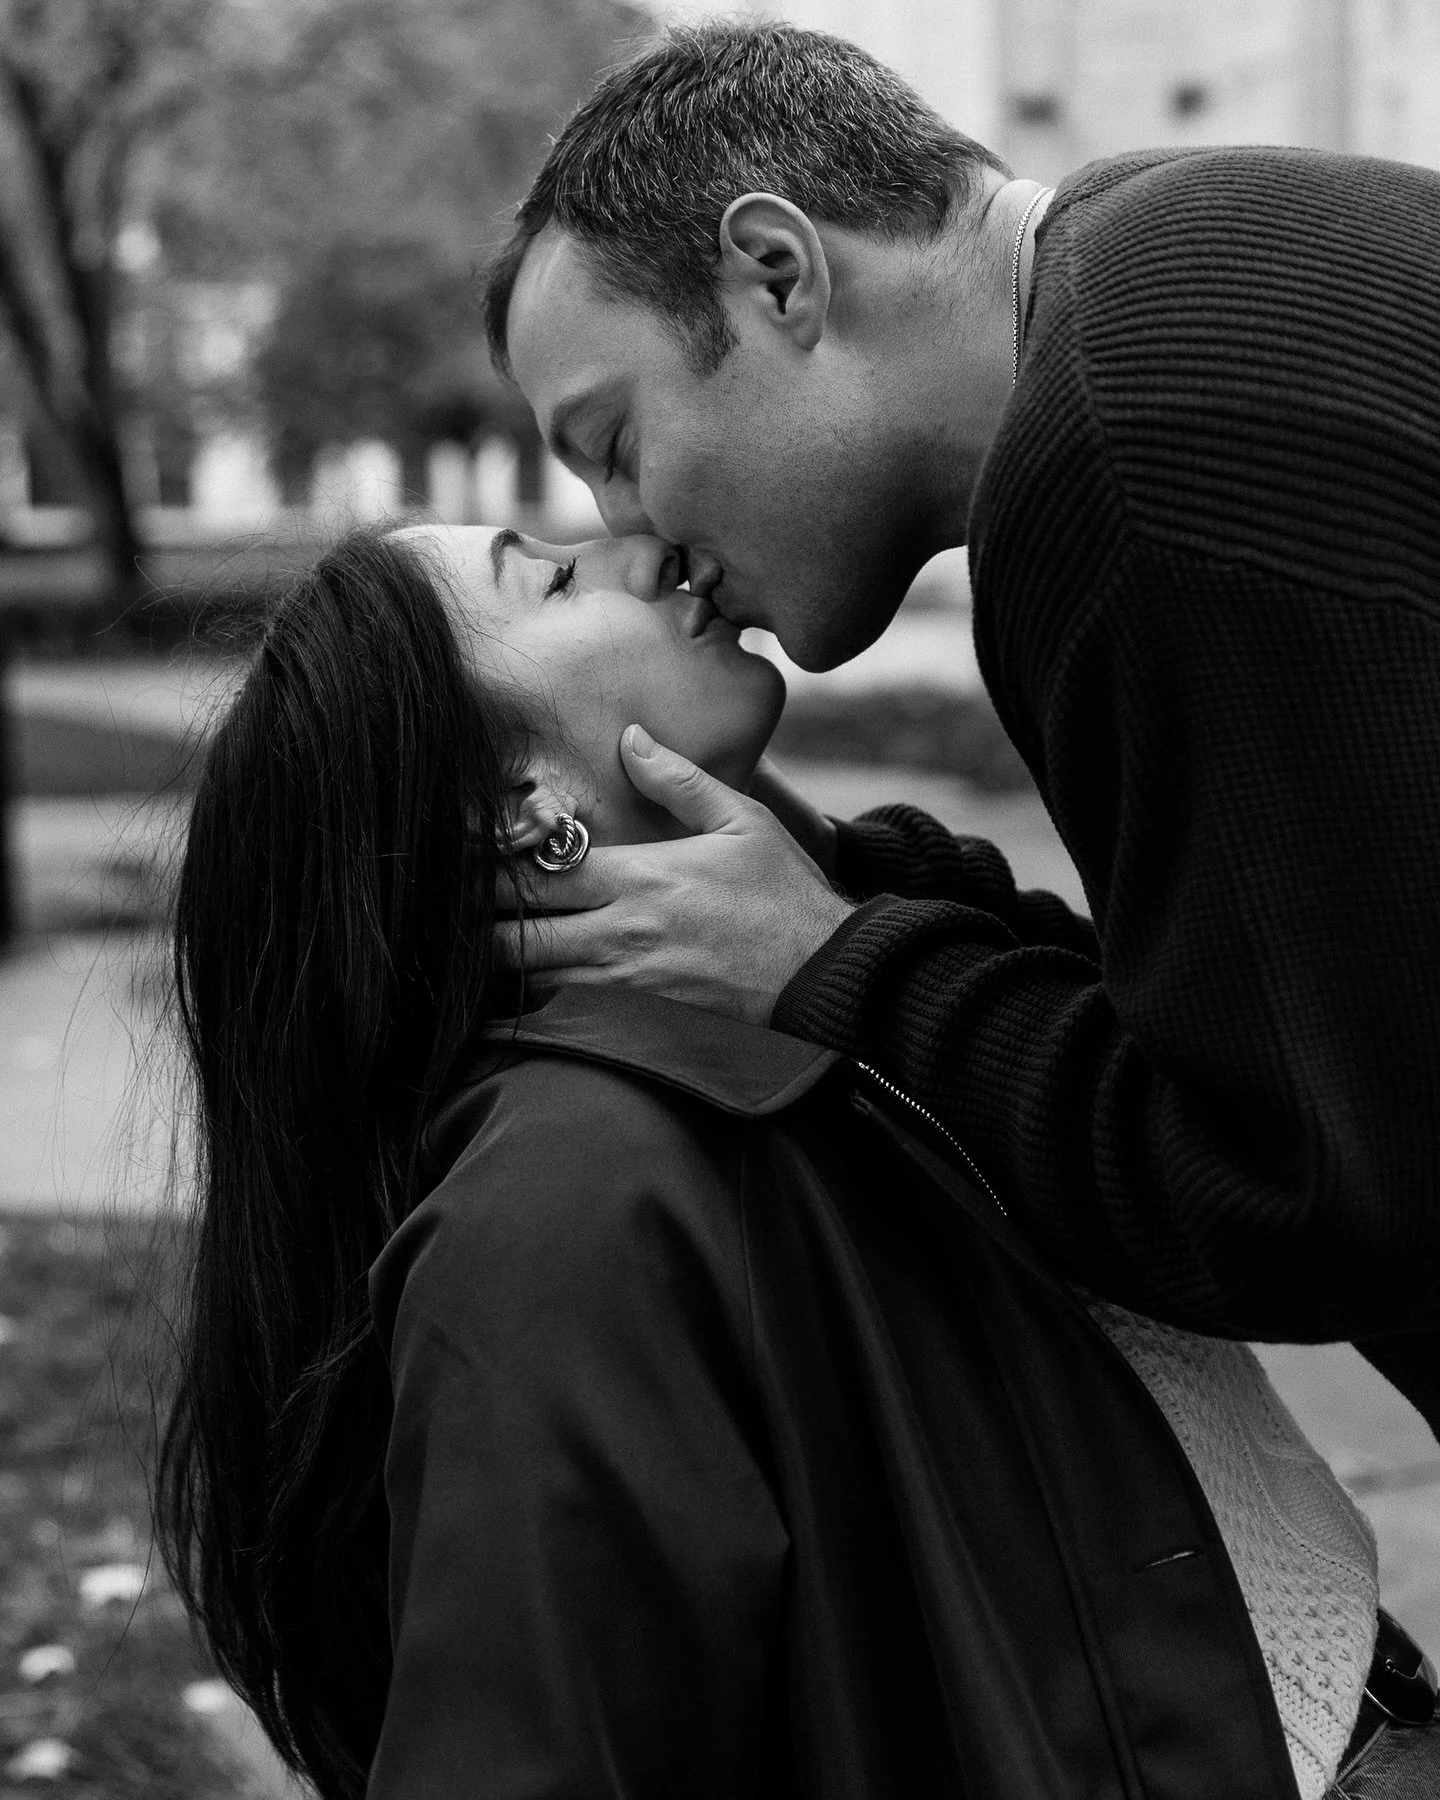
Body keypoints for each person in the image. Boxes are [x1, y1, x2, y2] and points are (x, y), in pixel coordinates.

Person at [154, 525, 1431, 1800]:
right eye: (547, 575)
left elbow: (1134, 1041)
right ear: (507, 807)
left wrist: (824, 911)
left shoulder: (776, 1002)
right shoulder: (566, 1198)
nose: (641, 545)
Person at [479, 22, 1440, 1454]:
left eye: (614, 445)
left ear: (778, 274)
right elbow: (1268, 1018)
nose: (637, 538)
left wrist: (832, 973)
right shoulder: (1171, 252)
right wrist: (847, 898)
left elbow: (1305, 1190)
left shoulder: (1118, 459)